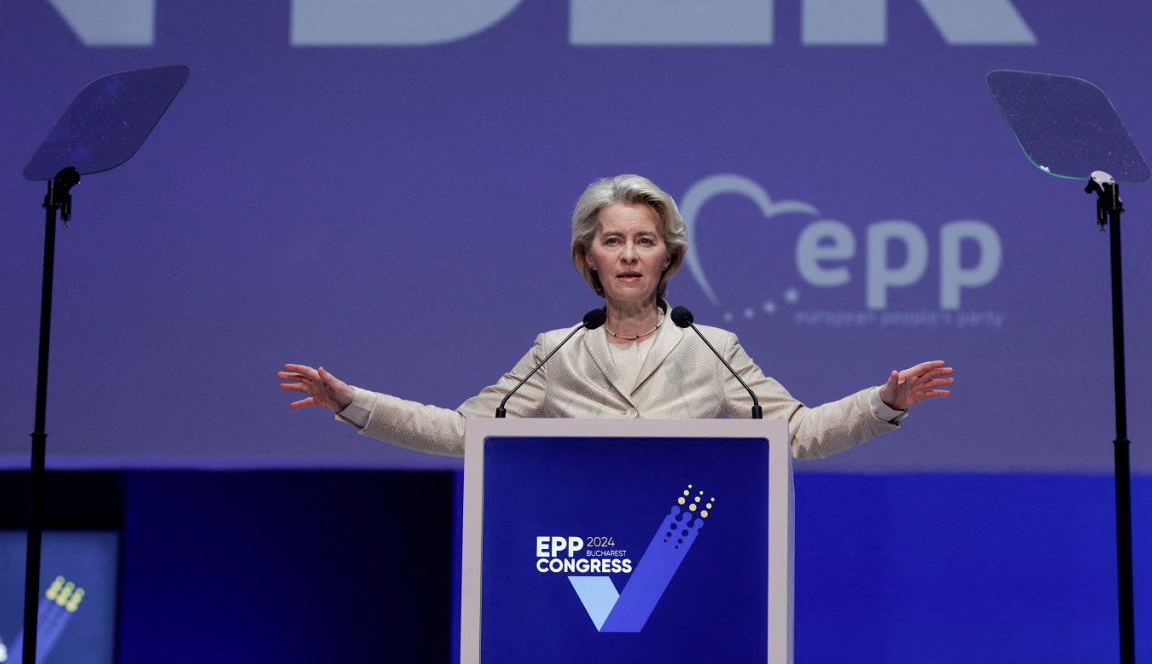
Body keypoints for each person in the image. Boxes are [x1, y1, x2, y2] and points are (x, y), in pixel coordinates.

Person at [278, 174, 953, 459]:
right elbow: (463, 432)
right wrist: (352, 403)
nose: (629, 254)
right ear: (588, 257)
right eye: (613, 240)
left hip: (685, 543)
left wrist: (883, 402)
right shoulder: (557, 349)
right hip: (582, 547)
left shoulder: (711, 347)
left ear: (669, 256)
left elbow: (799, 432)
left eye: (645, 240)